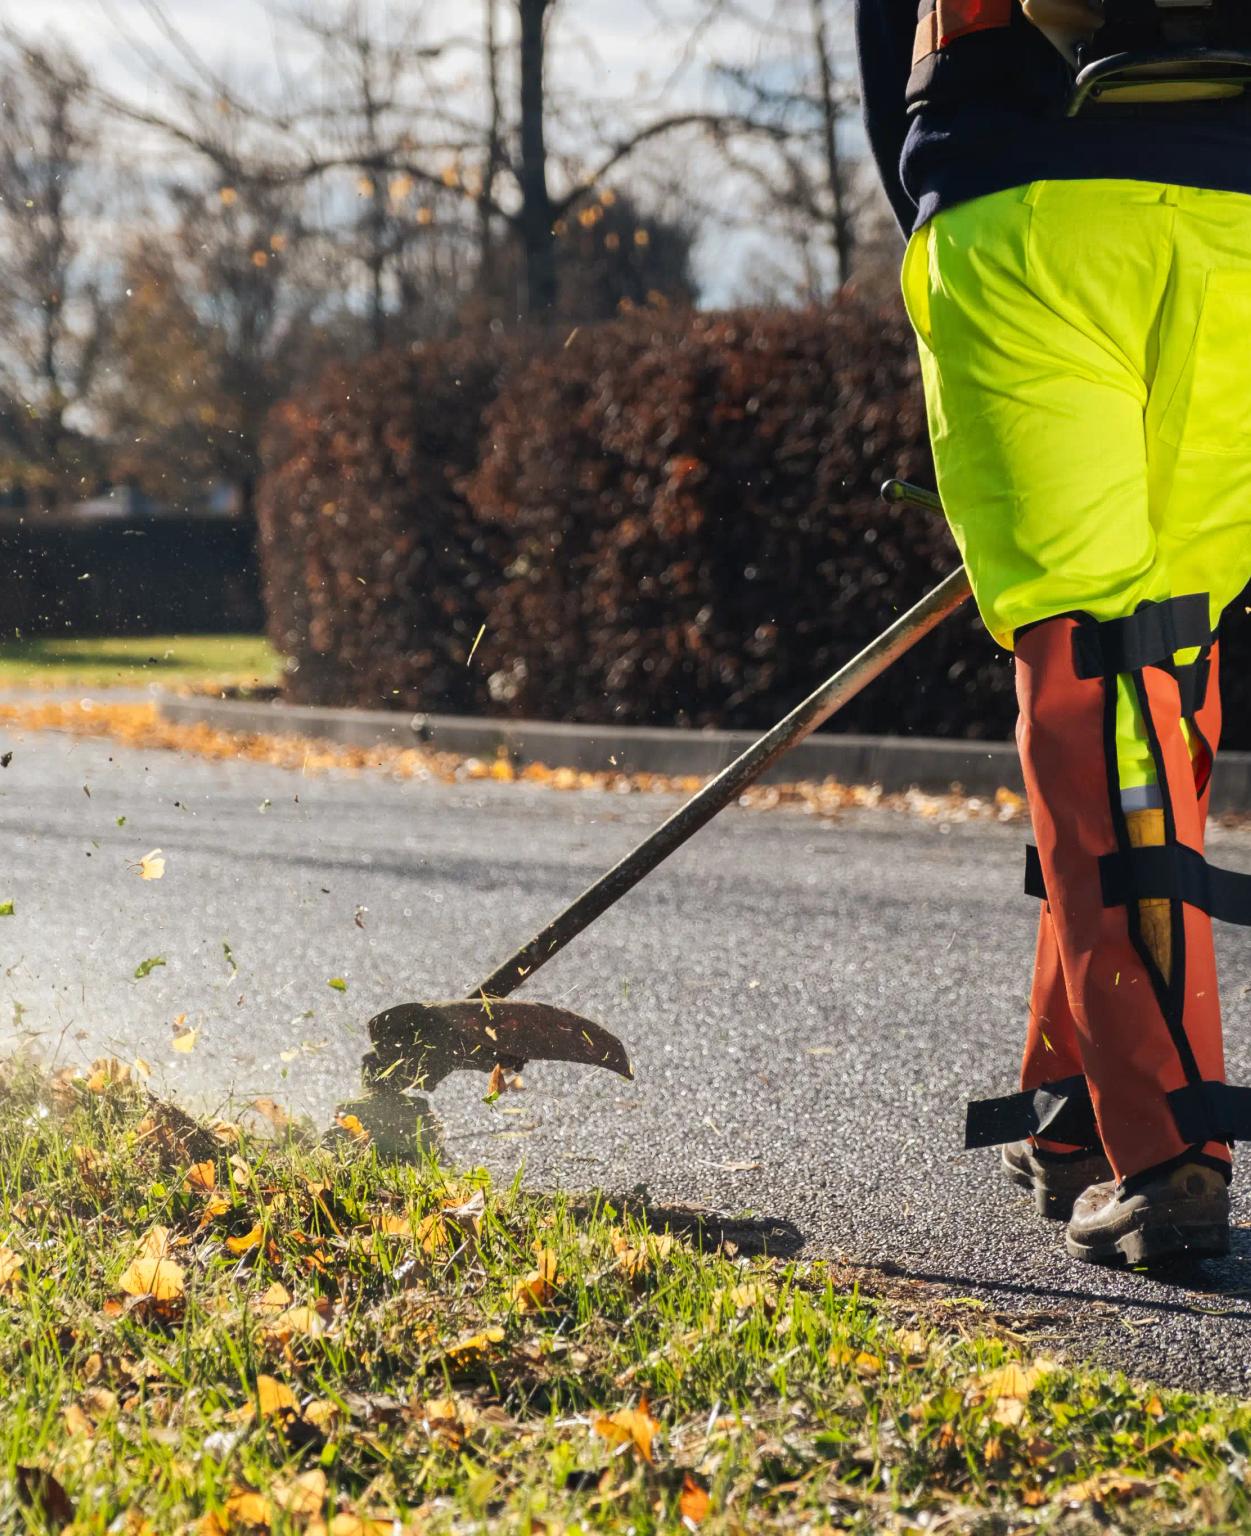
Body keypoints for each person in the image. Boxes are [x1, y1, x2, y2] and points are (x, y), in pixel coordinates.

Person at [854, 0, 1251, 1263]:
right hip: (1241, 219)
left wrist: (937, 191)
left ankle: (1168, 1138)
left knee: (1098, 669)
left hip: (1024, 201)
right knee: (1160, 668)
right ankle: (1074, 1105)